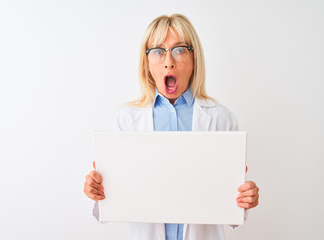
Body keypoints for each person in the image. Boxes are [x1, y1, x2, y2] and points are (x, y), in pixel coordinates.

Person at [84, 14, 260, 240]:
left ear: (194, 58)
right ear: (147, 62)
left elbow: (229, 207)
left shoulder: (221, 119)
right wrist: (97, 191)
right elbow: (114, 203)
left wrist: (244, 199)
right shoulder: (127, 120)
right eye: (158, 51)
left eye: (179, 50)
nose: (169, 61)